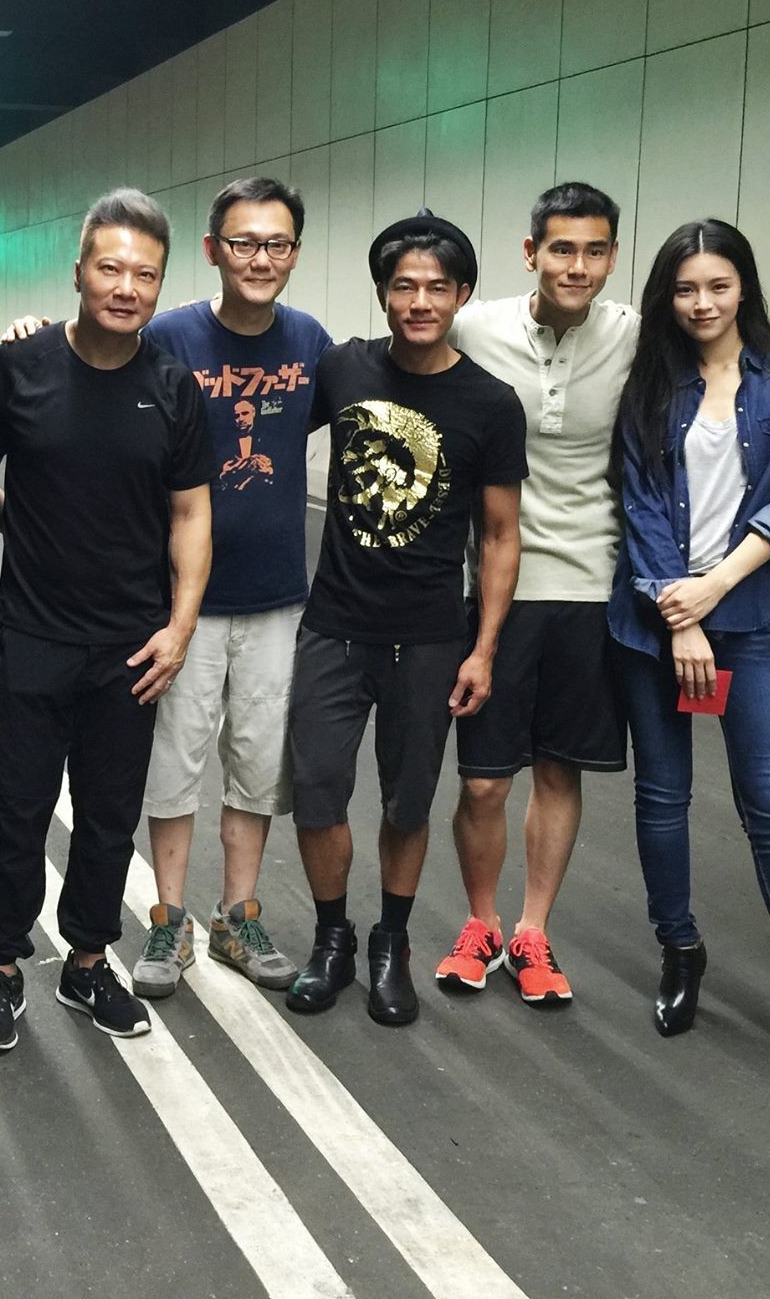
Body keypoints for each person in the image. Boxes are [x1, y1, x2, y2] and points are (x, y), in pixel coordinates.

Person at [0, 188, 214, 1050]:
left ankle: (86, 962)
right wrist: (22, 523)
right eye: (110, 267)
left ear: (160, 285)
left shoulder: (173, 388)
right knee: (18, 809)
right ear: (78, 272)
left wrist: (180, 628)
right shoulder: (19, 368)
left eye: (145, 274)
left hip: (132, 646)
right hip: (34, 633)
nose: (126, 286)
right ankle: (2, 966)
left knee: (109, 817)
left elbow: (191, 515)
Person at [608, 219, 770, 1091]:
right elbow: (640, 507)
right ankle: (680, 951)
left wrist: (713, 591)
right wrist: (679, 615)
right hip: (654, 626)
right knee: (662, 799)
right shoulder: (648, 385)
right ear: (667, 296)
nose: (702, 303)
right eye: (685, 289)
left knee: (769, 803)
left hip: (743, 621)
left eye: (718, 286)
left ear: (744, 288)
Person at [286, 212, 525, 1028]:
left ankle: (390, 944)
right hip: (333, 626)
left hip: (427, 637)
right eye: (404, 286)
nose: (419, 301)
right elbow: (254, 410)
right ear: (384, 293)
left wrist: (483, 648)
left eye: (436, 288)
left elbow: (500, 535)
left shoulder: (490, 403)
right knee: (317, 793)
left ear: (462, 295)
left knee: (408, 804)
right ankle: (333, 939)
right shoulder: (342, 368)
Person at [126, 177, 332, 999]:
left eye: (276, 243)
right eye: (243, 242)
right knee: (174, 764)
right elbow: (95, 366)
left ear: (295, 253)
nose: (260, 258)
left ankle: (237, 915)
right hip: (184, 601)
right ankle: (168, 920)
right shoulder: (169, 336)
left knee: (256, 765)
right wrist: (31, 334)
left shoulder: (309, 341)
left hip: (276, 598)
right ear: (213, 249)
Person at [442, 182, 637, 1005]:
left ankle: (531, 930)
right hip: (496, 588)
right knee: (485, 780)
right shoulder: (474, 326)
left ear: (612, 257)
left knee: (559, 771)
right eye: (561, 249)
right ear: (531, 253)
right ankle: (481, 922)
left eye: (594, 250)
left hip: (591, 588)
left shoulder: (634, 335)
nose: (577, 266)